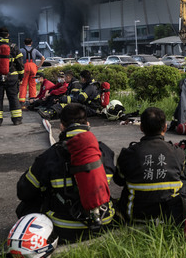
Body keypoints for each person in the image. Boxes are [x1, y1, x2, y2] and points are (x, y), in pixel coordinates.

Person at [16, 103, 115, 241]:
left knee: (25, 207)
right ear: (88, 124)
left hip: (64, 230)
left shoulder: (49, 156)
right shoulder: (105, 151)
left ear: (61, 126)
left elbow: (24, 192)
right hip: (103, 223)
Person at [114, 107, 186, 223]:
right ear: (165, 127)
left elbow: (119, 180)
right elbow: (179, 174)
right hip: (170, 217)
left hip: (134, 216)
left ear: (141, 128)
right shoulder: (178, 153)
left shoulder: (128, 154)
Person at [19, 38, 45, 106]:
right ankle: (32, 99)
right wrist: (38, 66)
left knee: (23, 84)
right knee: (33, 84)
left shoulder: (21, 50)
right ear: (31, 42)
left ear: (24, 43)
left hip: (25, 67)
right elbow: (43, 58)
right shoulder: (35, 50)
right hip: (33, 67)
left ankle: (22, 100)